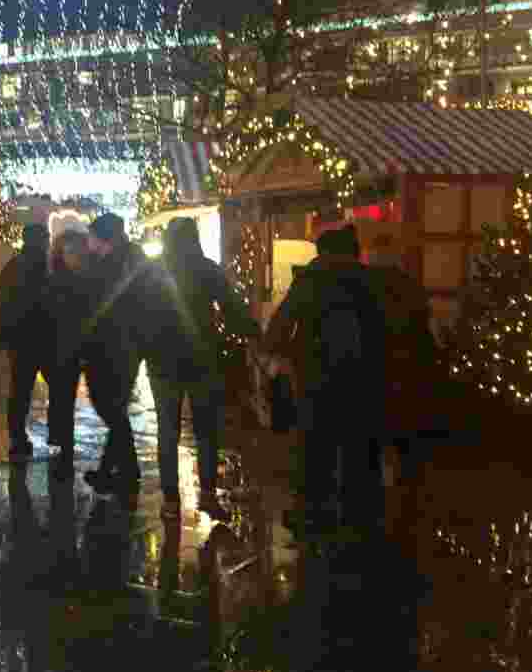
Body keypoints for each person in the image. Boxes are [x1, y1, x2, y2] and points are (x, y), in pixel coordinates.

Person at [262, 221, 387, 541]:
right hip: (363, 378)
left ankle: (312, 513)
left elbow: (280, 324)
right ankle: (362, 517)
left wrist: (274, 352)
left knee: (316, 448)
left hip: (316, 378)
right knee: (359, 448)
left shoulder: (311, 279)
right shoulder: (370, 280)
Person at [147, 217, 261, 523]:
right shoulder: (207, 268)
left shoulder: (153, 270)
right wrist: (254, 332)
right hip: (202, 358)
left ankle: (171, 501)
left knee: (167, 431)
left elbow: (137, 314)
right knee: (206, 430)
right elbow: (232, 308)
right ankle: (207, 494)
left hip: (162, 361)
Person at [83, 211, 154, 507]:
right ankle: (115, 471)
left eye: (93, 238)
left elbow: (100, 303)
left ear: (104, 240)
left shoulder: (112, 265)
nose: (89, 243)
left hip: (111, 346)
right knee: (115, 408)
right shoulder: (134, 259)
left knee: (110, 407)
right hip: (128, 346)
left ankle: (127, 472)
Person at [367, 232, 438, 486]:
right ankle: (406, 481)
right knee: (403, 429)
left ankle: (380, 479)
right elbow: (425, 323)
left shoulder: (363, 285)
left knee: (375, 427)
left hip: (374, 363)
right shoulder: (407, 284)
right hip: (408, 362)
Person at [0, 223, 53, 459]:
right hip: (47, 338)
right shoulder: (49, 266)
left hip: (21, 340)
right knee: (58, 387)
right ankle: (57, 433)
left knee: (20, 391)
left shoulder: (13, 266)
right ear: (42, 240)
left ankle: (18, 438)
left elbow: (1, 302)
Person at [45, 228, 95, 481]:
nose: (75, 255)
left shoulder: (79, 278)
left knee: (63, 395)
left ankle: (60, 441)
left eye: (77, 250)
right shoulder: (59, 280)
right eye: (70, 251)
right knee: (62, 395)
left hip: (72, 346)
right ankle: (61, 443)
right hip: (61, 347)